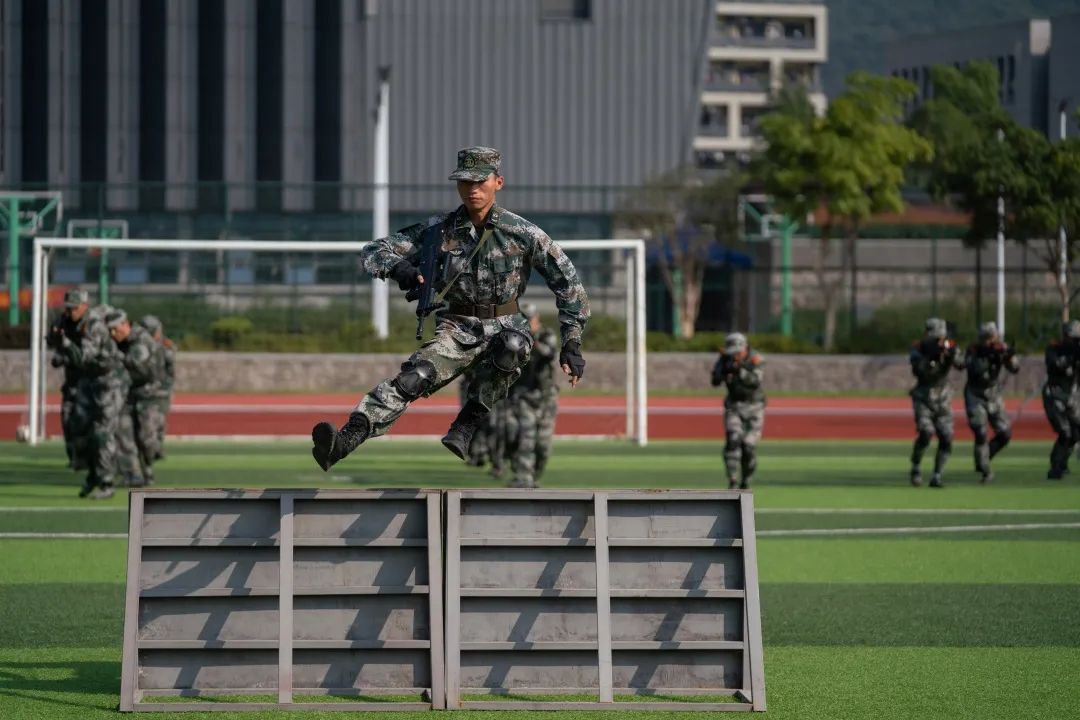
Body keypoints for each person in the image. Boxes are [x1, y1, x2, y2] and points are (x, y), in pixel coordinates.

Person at [311, 146, 589, 470]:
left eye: (480, 182)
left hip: (508, 326)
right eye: (464, 182)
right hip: (457, 328)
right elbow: (375, 250)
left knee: (510, 347)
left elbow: (568, 283)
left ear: (498, 182)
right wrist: (400, 269)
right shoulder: (438, 231)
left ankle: (468, 424)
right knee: (414, 378)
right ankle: (345, 440)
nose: (472, 189)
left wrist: (571, 341)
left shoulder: (523, 233)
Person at [504, 303, 560, 488]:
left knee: (543, 446)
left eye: (530, 319)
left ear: (536, 318)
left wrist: (532, 338)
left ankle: (534, 476)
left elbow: (548, 354)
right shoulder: (514, 339)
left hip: (546, 398)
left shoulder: (546, 335)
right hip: (524, 396)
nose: (527, 323)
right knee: (525, 439)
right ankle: (523, 479)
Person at [108, 310, 165, 487]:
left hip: (148, 395)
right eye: (109, 330)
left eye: (115, 330)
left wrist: (113, 354)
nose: (112, 334)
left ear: (125, 325)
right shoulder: (121, 341)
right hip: (129, 394)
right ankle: (132, 474)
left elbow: (133, 364)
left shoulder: (141, 341)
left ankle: (147, 470)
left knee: (146, 438)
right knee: (122, 430)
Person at [908, 317, 963, 488]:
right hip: (923, 397)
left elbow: (962, 365)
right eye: (935, 338)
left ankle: (937, 475)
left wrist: (951, 355)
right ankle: (916, 467)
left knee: (946, 437)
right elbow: (920, 372)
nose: (939, 341)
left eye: (941, 337)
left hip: (943, 398)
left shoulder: (949, 347)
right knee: (926, 432)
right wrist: (932, 357)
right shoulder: (918, 349)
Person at [964, 322, 1020, 484]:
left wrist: (1008, 357)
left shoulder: (1000, 348)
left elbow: (1015, 368)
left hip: (994, 396)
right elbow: (975, 369)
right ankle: (984, 468)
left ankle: (985, 456)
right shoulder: (973, 350)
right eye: (986, 338)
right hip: (975, 395)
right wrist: (989, 357)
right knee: (980, 431)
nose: (989, 341)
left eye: (992, 338)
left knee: (1005, 434)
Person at [711, 332, 765, 490]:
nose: (735, 355)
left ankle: (746, 479)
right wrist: (722, 370)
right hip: (734, 406)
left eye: (737, 352)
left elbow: (755, 381)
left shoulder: (756, 359)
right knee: (733, 440)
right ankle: (733, 479)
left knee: (748, 447)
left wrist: (739, 369)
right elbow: (715, 381)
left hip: (754, 407)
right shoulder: (724, 359)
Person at [45, 289, 92, 467]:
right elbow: (53, 342)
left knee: (89, 422)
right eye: (69, 308)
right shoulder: (63, 322)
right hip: (72, 381)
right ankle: (75, 458)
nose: (71, 312)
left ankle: (93, 458)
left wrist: (66, 354)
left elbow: (87, 356)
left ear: (84, 307)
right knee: (67, 418)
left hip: (91, 382)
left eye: (75, 308)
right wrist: (56, 342)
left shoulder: (92, 325)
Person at [1043, 320, 1080, 480]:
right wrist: (1072, 357)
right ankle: (1055, 466)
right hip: (1054, 394)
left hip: (1070, 397)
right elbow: (1055, 365)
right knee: (1065, 432)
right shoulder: (1054, 348)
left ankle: (1062, 462)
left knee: (1076, 432)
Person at [139, 315, 175, 459]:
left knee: (159, 420)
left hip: (161, 389)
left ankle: (157, 447)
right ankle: (152, 448)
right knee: (149, 421)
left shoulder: (165, 346)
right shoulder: (140, 346)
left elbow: (170, 369)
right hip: (146, 389)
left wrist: (166, 386)